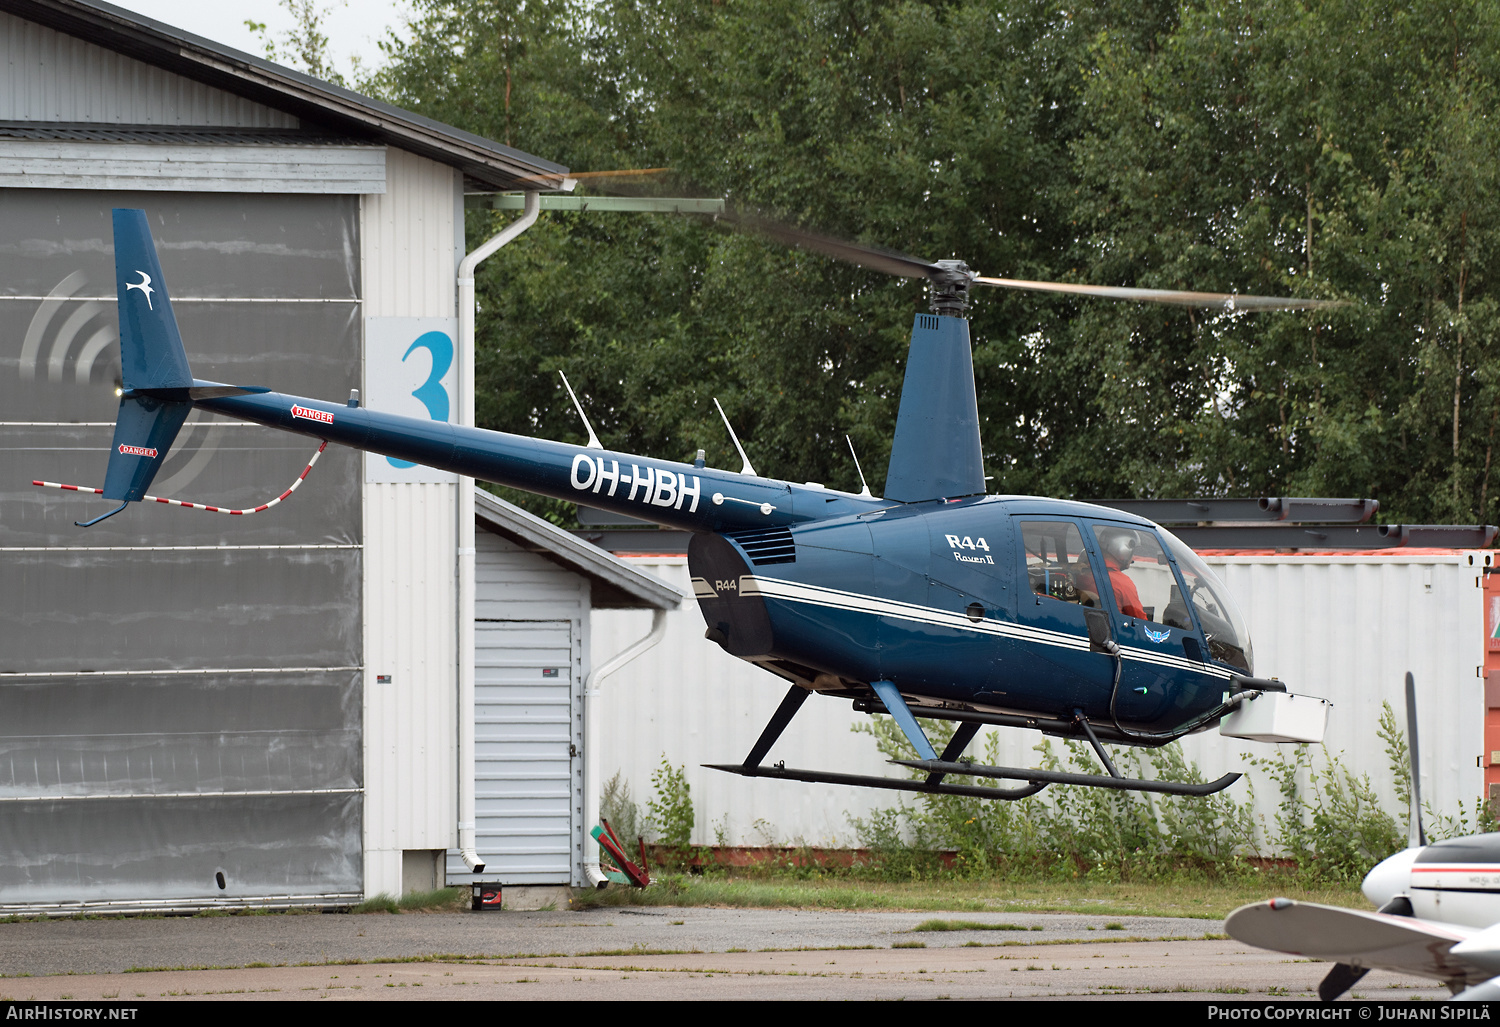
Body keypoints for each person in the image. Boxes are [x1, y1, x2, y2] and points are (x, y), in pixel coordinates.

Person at [1097, 528, 1148, 620]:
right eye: (1132, 552)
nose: (1132, 558)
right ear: (1123, 550)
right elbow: (1140, 619)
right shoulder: (1121, 583)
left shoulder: (1086, 572)